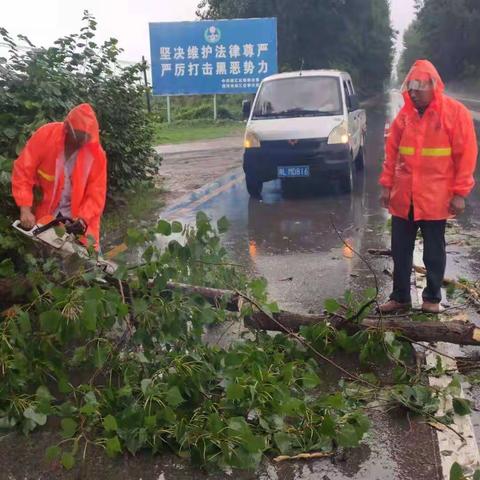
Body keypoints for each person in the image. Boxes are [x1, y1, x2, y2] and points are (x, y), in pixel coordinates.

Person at [379, 60, 478, 314]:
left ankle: (431, 298)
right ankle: (400, 297)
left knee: (434, 252)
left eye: (419, 88)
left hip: (435, 198)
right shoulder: (405, 117)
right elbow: (392, 154)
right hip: (404, 197)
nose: (413, 93)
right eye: (411, 88)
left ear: (433, 87)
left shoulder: (454, 114)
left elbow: (466, 155)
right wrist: (386, 186)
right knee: (400, 250)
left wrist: (460, 193)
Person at [12, 103, 107, 249]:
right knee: (46, 257)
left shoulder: (96, 154)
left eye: (86, 138)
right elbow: (23, 171)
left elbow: (96, 194)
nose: (82, 143)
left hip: (79, 219)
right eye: (79, 137)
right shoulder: (46, 136)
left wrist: (83, 219)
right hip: (46, 214)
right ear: (67, 128)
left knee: (86, 261)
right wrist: (25, 209)